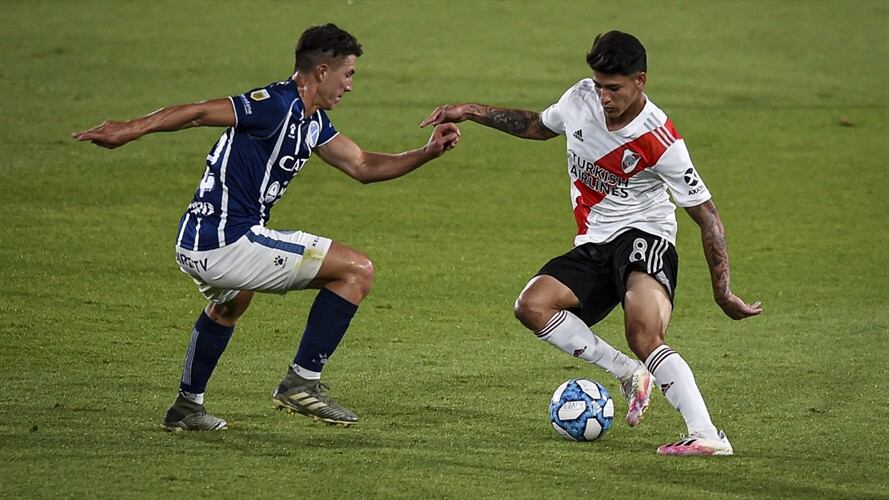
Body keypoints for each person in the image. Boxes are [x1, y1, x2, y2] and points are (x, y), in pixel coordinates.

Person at [73, 23, 460, 431]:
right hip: (226, 241)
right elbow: (200, 112)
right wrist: (130, 129)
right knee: (356, 270)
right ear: (322, 72)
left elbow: (361, 165)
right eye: (348, 75)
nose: (350, 86)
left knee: (232, 302)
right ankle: (302, 382)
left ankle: (187, 407)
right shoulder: (274, 104)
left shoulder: (312, 122)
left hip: (196, 240)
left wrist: (427, 153)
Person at [421, 31, 761, 456]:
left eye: (614, 88)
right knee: (531, 305)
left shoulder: (661, 140)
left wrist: (723, 291)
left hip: (646, 236)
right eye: (599, 85)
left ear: (641, 80)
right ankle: (625, 371)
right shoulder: (580, 99)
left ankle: (707, 433)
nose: (603, 96)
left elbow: (707, 216)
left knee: (643, 333)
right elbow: (537, 126)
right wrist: (470, 110)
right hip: (594, 242)